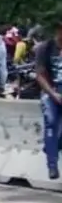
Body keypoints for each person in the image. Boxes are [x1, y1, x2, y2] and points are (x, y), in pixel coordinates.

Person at [35, 19, 62, 179]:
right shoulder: (45, 48)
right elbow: (40, 75)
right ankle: (52, 165)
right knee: (51, 121)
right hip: (51, 89)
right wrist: (53, 94)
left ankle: (51, 146)